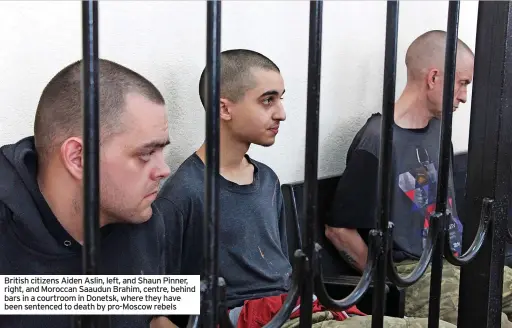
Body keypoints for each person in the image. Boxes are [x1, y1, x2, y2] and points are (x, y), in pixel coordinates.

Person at [156, 48, 456, 328]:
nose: (282, 113)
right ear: (224, 107)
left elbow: (281, 271)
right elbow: (156, 302)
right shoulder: (186, 192)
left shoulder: (267, 180)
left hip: (303, 308)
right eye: (267, 100)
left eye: (280, 99)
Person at [325, 29, 512, 327]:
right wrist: (391, 284)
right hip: (414, 272)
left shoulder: (440, 131)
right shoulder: (378, 140)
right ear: (434, 78)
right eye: (462, 83)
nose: (464, 96)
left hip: (458, 260)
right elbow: (338, 230)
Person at [0, 59, 174, 328]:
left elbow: (151, 319)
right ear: (79, 158)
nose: (164, 170)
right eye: (146, 153)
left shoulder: (144, 219)